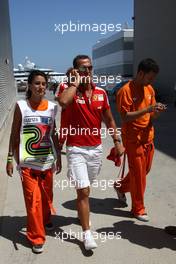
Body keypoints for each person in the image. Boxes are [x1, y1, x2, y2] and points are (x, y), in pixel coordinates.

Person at [56, 54, 124, 251]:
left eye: (90, 68)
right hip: (75, 148)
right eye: (83, 69)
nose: (88, 72)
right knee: (83, 191)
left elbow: (110, 120)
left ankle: (81, 204)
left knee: (87, 186)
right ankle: (86, 234)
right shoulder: (67, 89)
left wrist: (117, 141)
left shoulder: (101, 93)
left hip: (95, 149)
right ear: (76, 70)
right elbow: (62, 103)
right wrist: (75, 83)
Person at [6, 70, 61, 253]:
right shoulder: (21, 106)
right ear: (29, 86)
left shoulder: (52, 107)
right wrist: (9, 159)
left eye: (44, 84)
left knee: (47, 197)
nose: (41, 87)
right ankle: (36, 237)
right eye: (37, 83)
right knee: (33, 200)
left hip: (46, 163)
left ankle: (45, 220)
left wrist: (59, 156)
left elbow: (54, 133)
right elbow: (14, 134)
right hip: (27, 164)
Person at [115, 58, 166, 222]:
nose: (151, 81)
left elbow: (152, 115)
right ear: (141, 73)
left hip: (148, 137)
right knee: (139, 176)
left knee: (145, 171)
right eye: (149, 78)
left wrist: (156, 110)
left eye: (153, 79)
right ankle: (138, 208)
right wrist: (147, 109)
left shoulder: (149, 89)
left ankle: (121, 186)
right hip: (133, 139)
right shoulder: (126, 91)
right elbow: (124, 116)